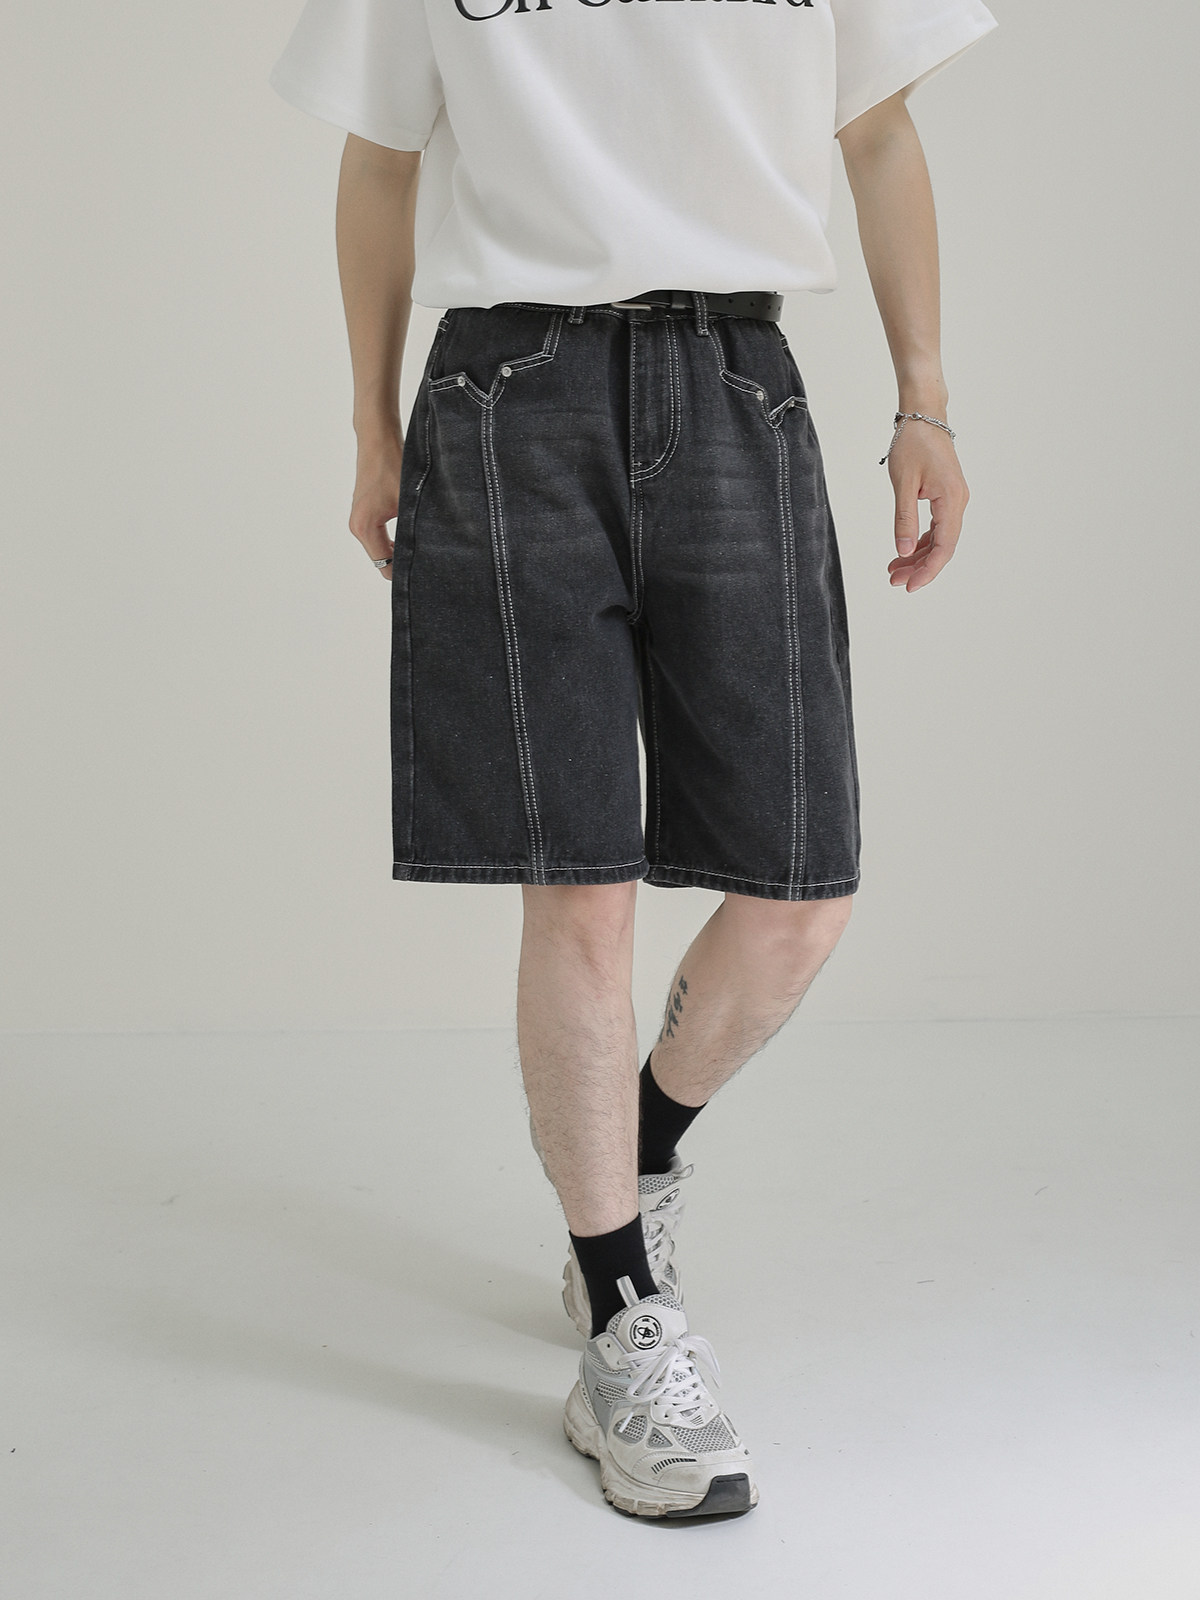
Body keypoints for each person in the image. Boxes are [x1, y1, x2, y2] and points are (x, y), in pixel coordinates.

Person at [269, 0, 998, 1520]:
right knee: (580, 883)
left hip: (737, 381)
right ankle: (620, 1317)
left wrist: (924, 395)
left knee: (801, 891)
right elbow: (380, 158)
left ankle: (642, 1144)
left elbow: (877, 131)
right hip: (506, 395)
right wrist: (370, 423)